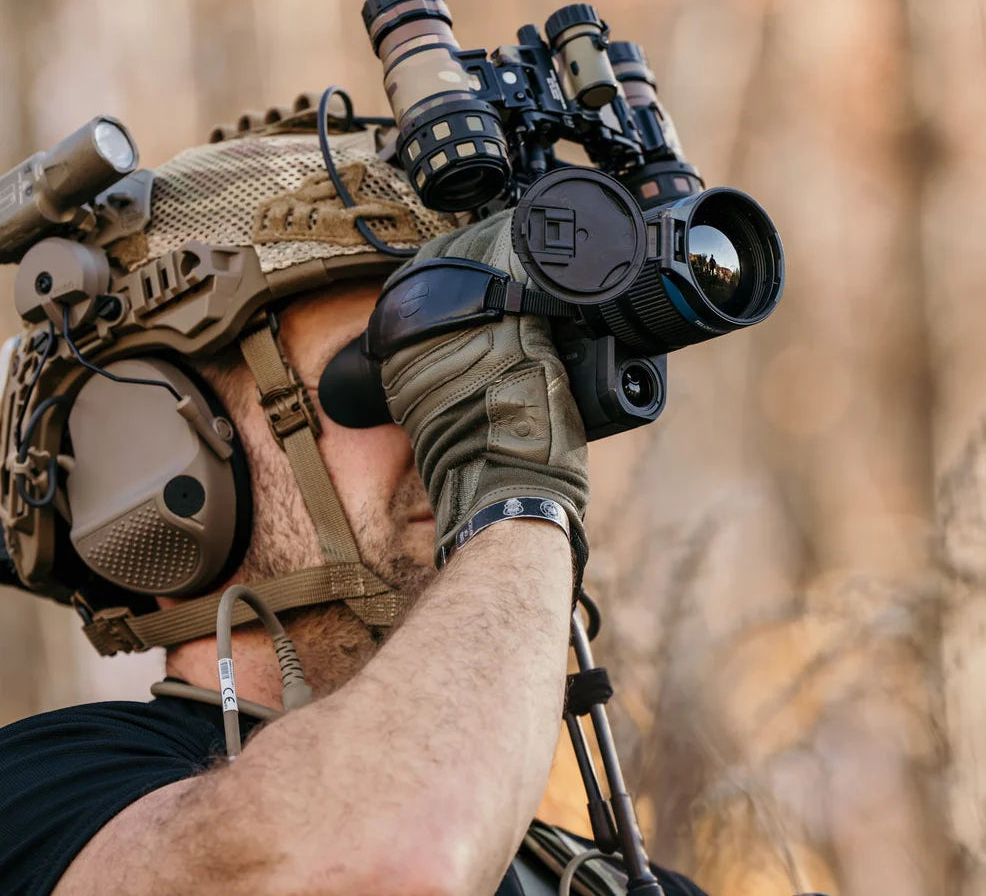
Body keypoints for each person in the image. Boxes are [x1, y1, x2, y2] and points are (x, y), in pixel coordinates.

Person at [0, 115, 707, 895]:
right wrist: (516, 501)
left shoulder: (601, 878)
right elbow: (373, 866)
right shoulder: (35, 799)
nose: (465, 415)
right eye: (395, 366)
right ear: (155, 448)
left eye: (505, 367)